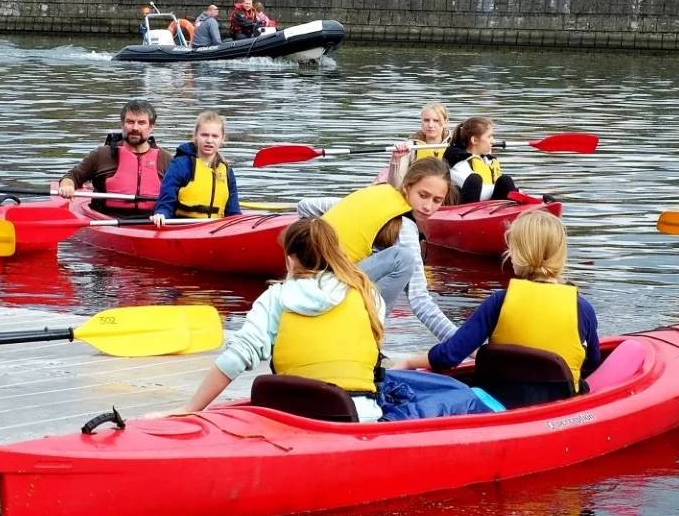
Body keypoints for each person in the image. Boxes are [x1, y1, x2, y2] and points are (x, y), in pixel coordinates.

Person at [169, 219, 388, 421]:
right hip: (359, 417)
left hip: (294, 418)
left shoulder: (277, 297)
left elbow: (236, 358)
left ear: (290, 261)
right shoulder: (367, 293)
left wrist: (190, 408)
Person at [393, 211, 600, 407]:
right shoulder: (583, 308)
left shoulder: (499, 301)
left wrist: (409, 362)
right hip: (558, 404)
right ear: (560, 256)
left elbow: (450, 355)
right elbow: (592, 363)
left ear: (517, 254)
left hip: (497, 400)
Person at [298, 157, 460, 341]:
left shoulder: (372, 195)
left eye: (437, 200)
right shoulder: (406, 228)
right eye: (423, 195)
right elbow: (419, 300)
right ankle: (370, 338)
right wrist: (462, 343)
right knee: (403, 259)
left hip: (306, 282)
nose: (428, 206)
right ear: (407, 187)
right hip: (330, 292)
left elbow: (304, 206)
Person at [57, 100, 172, 216]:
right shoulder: (102, 154)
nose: (135, 128)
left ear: (151, 127)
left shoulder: (166, 159)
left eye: (141, 123)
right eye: (130, 122)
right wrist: (67, 186)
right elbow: (72, 176)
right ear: (122, 124)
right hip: (105, 218)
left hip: (153, 220)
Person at [152, 111, 240, 224]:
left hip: (216, 228)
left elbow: (233, 211)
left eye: (215, 136)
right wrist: (161, 214)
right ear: (195, 136)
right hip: (183, 226)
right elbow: (166, 201)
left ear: (222, 139)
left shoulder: (227, 171)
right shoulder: (181, 165)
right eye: (204, 135)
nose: (209, 140)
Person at [443, 116, 519, 202]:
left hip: (487, 203)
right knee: (475, 180)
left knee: (505, 180)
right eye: (489, 137)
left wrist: (513, 190)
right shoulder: (458, 163)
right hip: (466, 204)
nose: (493, 141)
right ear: (474, 140)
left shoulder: (487, 160)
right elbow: (478, 192)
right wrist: (508, 190)